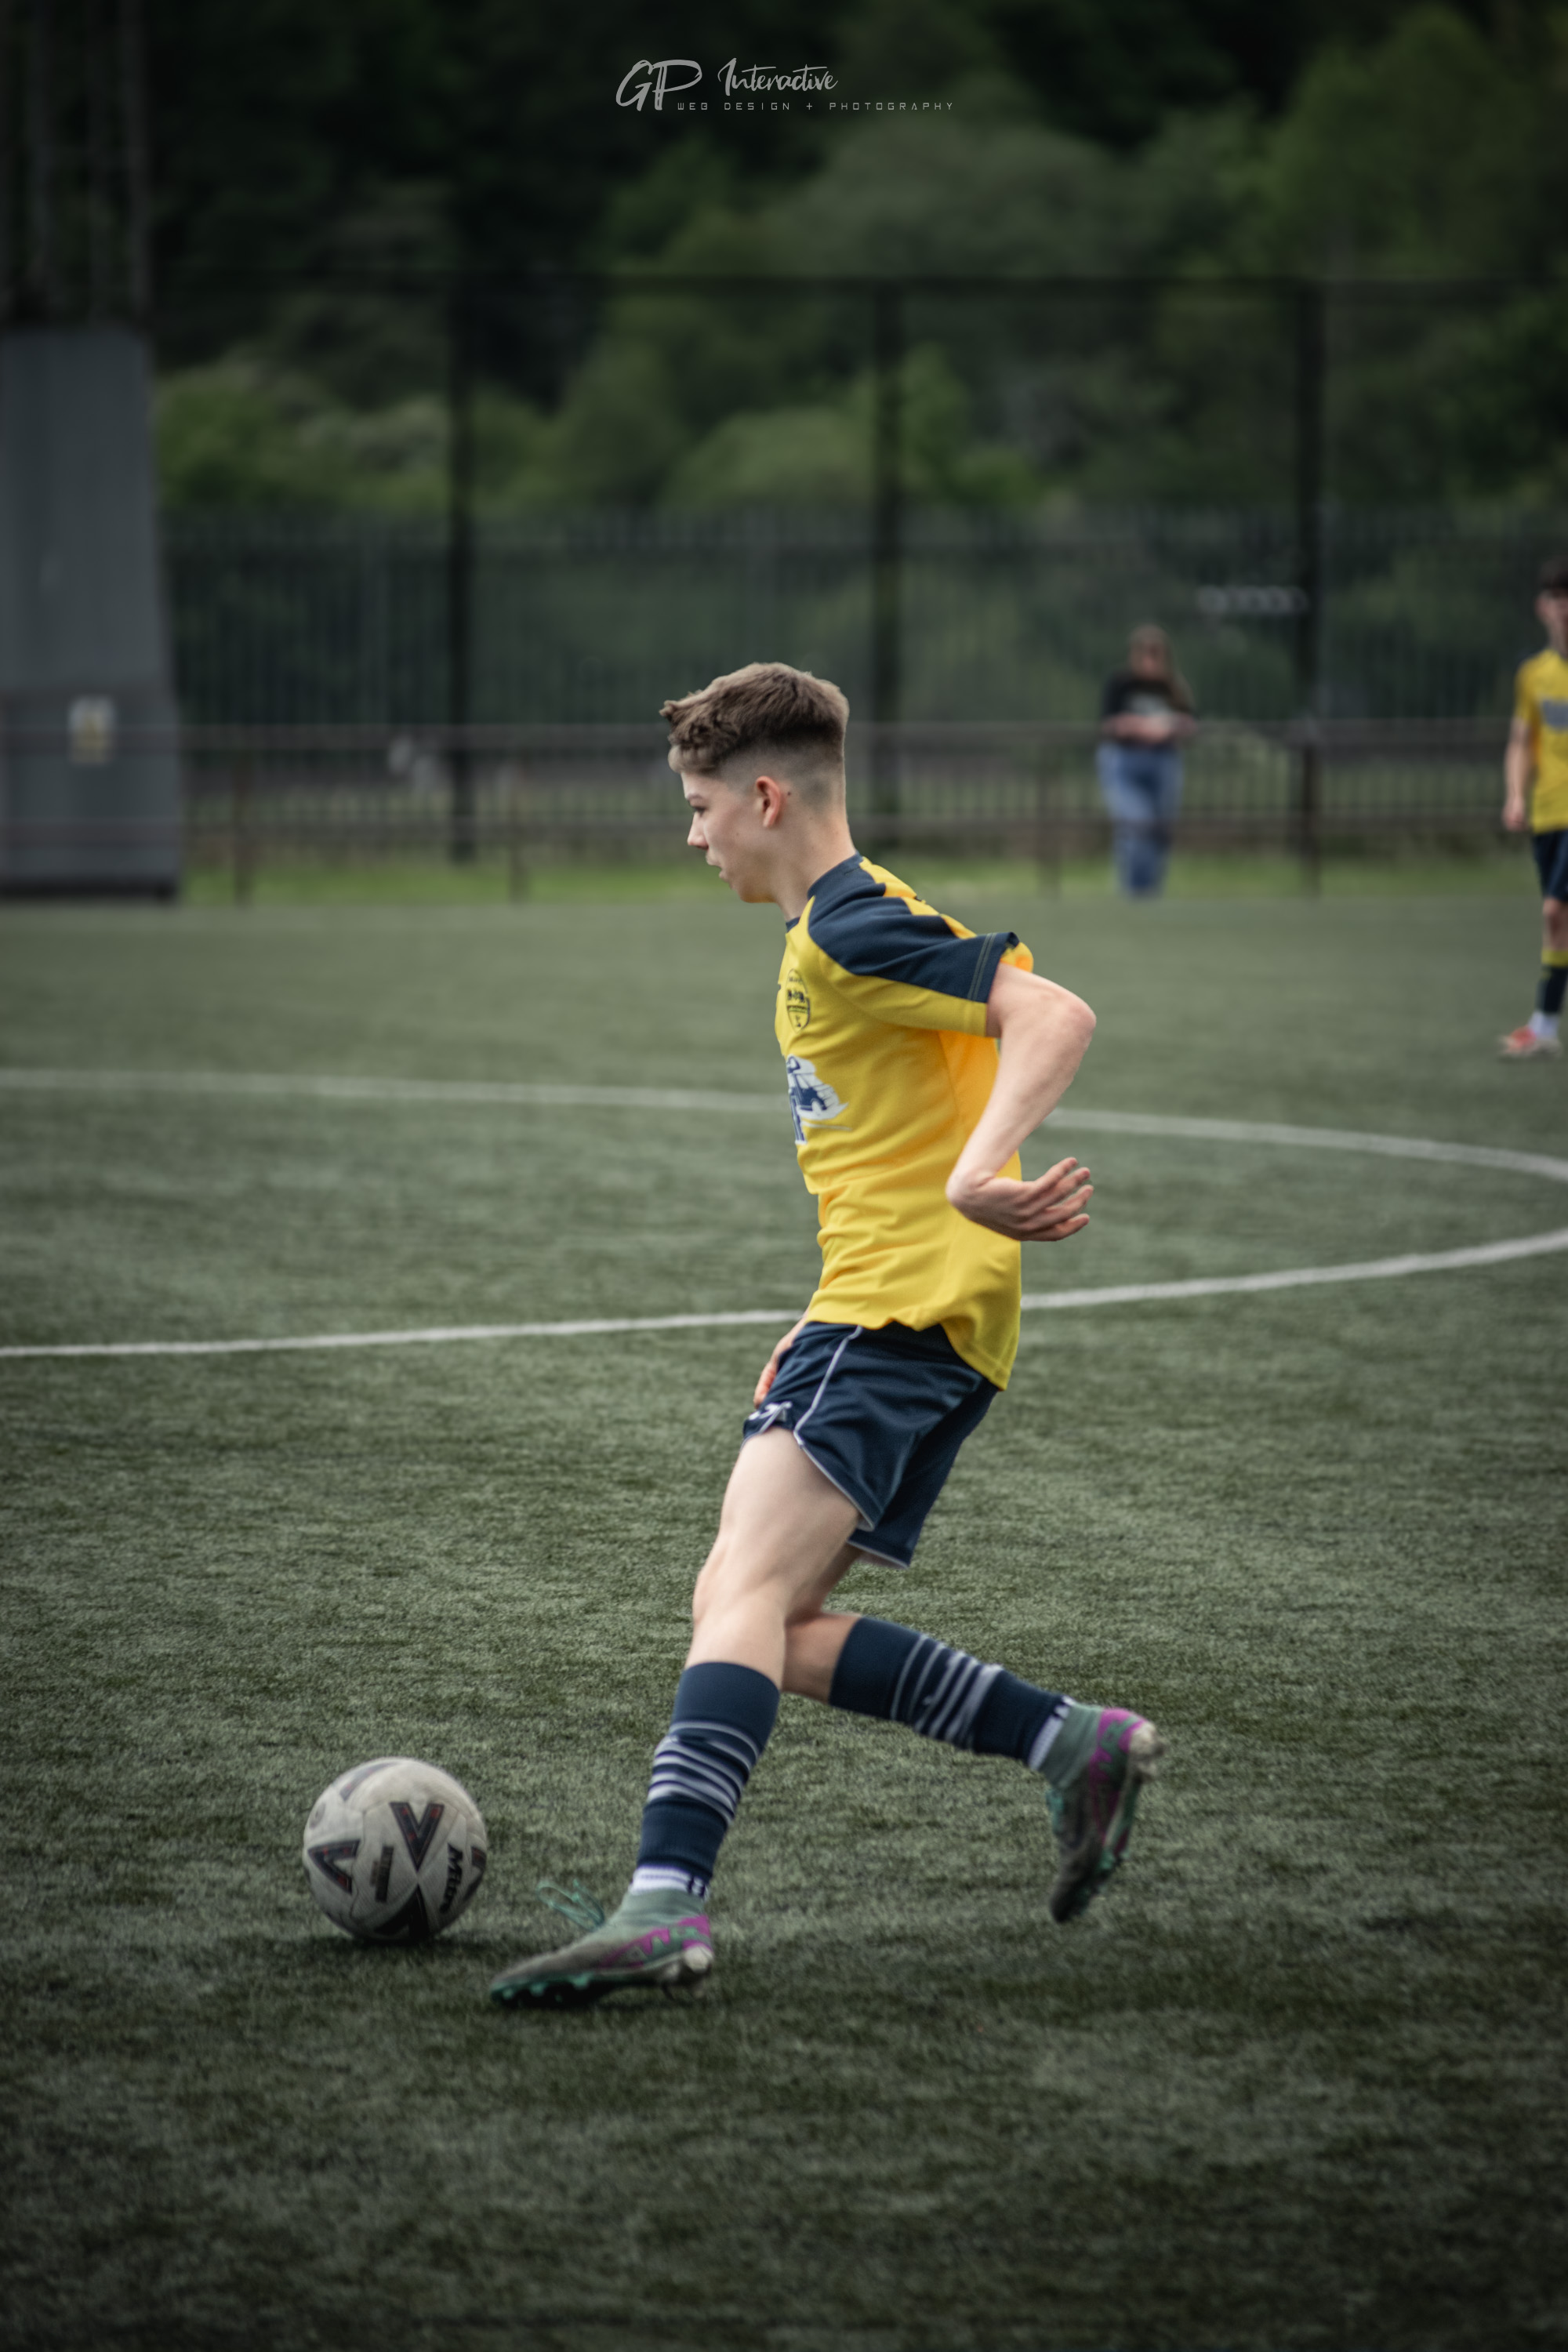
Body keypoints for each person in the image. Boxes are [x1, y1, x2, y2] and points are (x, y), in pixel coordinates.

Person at [491, 662, 1164, 2010]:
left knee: (736, 1600)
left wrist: (981, 1174)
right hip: (895, 1318)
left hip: (902, 1311)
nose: (691, 837)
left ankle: (665, 1906)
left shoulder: (852, 923)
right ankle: (1067, 1741)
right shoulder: (845, 927)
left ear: (763, 793)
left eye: (698, 808)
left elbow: (1055, 1013)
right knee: (759, 1618)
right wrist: (814, 1327)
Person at [1498, 554, 1568, 1060]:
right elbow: (1521, 740)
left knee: (1554, 910)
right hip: (1548, 812)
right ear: (1543, 607)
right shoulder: (1535, 674)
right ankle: (1544, 1026)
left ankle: (1544, 1023)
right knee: (1556, 922)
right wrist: (1517, 794)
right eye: (1558, 599)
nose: (1565, 609)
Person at [1097, 625, 1196, 898]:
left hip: (1163, 762)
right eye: (1145, 654)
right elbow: (1112, 725)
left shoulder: (1172, 686)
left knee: (1160, 829)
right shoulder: (1121, 683)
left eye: (1156, 654)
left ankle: (1151, 893)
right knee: (1136, 824)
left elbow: (1188, 724)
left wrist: (1151, 727)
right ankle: (1132, 893)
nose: (1150, 660)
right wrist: (1155, 727)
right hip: (1125, 760)